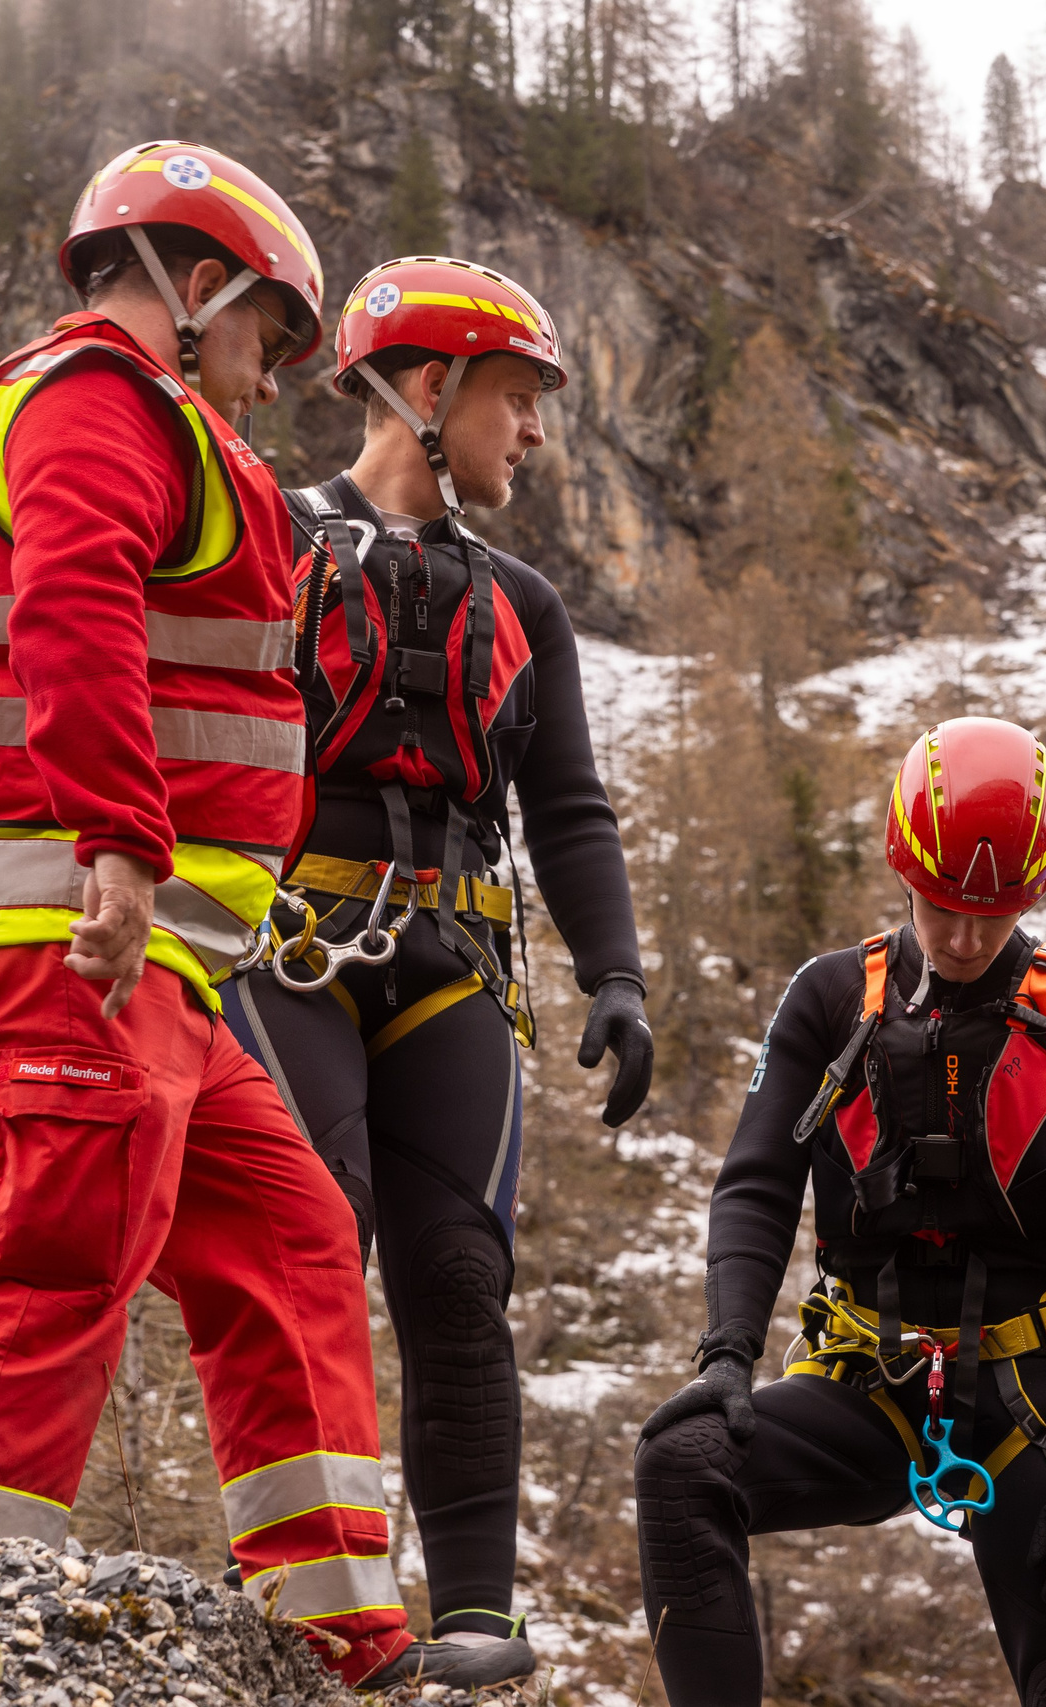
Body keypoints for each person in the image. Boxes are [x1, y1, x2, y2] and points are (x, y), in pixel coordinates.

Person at [0, 141, 525, 1689]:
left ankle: (339, 1632)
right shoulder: (94, 398)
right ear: (192, 289)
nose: (262, 373)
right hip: (62, 917)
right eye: (260, 334)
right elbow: (76, 601)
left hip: (160, 954)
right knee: (58, 1246)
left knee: (294, 1232)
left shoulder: (164, 423)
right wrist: (115, 838)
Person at [220, 254, 652, 1662]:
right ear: (428, 391)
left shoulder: (525, 601)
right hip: (284, 946)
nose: (534, 433)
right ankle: (313, 1601)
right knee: (313, 1239)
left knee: (460, 1274)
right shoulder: (266, 534)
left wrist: (618, 976)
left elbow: (570, 807)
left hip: (455, 955)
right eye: (519, 399)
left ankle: (476, 1622)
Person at [634, 717, 1046, 1707]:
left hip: (1036, 1407)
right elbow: (757, 1182)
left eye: (997, 912)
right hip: (869, 1380)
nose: (967, 937)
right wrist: (727, 1355)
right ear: (903, 871)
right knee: (682, 1462)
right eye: (942, 908)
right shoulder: (829, 998)